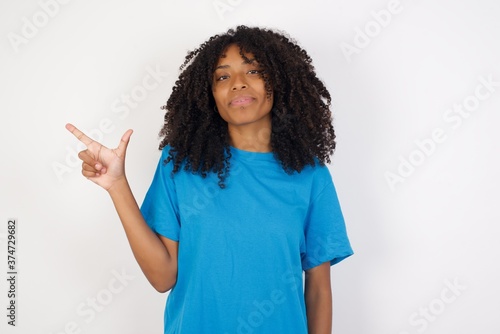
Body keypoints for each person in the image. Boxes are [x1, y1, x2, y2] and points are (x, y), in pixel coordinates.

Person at [66, 25, 353, 334]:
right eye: (223, 76)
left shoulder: (310, 176)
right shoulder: (180, 165)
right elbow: (163, 278)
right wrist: (117, 186)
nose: (238, 84)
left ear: (280, 81)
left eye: (254, 71)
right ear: (210, 94)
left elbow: (319, 289)